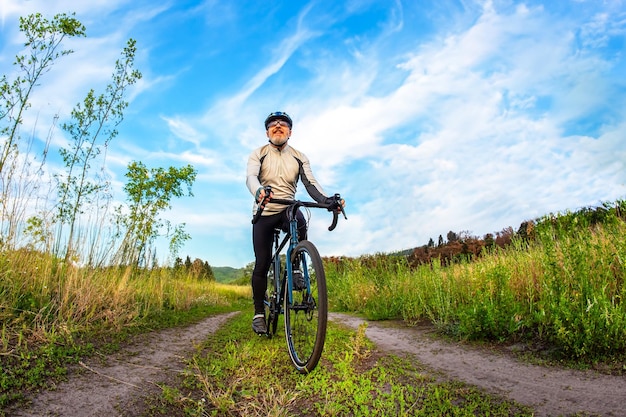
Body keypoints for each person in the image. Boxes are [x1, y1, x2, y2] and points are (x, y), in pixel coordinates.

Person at [246, 111, 344, 334]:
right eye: (273, 124)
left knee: (299, 217)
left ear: (290, 132)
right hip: (264, 211)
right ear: (267, 132)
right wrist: (259, 191)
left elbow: (310, 184)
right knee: (262, 262)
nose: (278, 126)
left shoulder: (299, 156)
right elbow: (251, 177)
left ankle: (297, 268)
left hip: (287, 208)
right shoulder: (258, 154)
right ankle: (259, 313)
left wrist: (328, 201)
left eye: (283, 124)